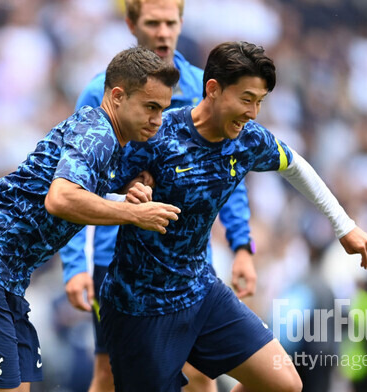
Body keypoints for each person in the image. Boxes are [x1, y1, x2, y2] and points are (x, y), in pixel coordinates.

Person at [99, 41, 367, 392]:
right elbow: (93, 191)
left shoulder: (247, 140)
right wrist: (125, 199)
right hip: (140, 306)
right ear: (213, 89)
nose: (254, 113)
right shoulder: (158, 133)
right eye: (247, 99)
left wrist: (344, 226)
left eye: (260, 102)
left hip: (200, 291)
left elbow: (296, 166)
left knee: (285, 384)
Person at [0, 46, 182, 392]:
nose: (157, 119)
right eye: (150, 107)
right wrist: (133, 213)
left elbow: (70, 193)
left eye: (163, 110)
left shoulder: (106, 139)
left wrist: (122, 196)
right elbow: (60, 199)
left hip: (3, 279)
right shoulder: (98, 132)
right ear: (118, 96)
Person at [61, 1, 253, 390]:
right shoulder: (100, 91)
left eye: (171, 22)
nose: (163, 32)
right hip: (118, 260)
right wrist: (74, 264)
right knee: (108, 373)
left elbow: (230, 172)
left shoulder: (207, 89)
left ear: (182, 23)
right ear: (132, 24)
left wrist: (243, 245)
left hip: (189, 260)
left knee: (201, 373)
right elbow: (77, 179)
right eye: (153, 23)